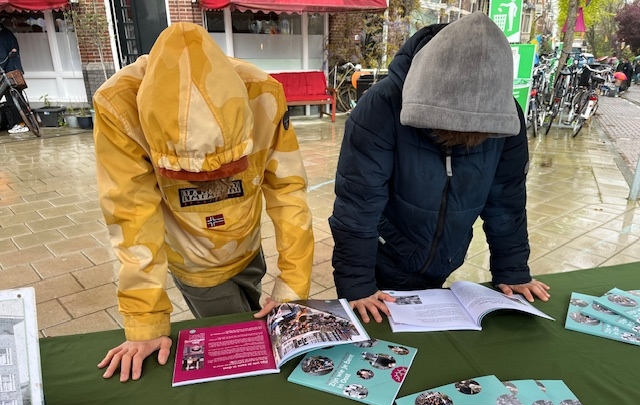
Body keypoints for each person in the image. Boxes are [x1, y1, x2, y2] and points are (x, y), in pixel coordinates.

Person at [93, 23, 314, 381]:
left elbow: (288, 192)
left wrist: (292, 286)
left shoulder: (263, 92)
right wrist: (146, 322)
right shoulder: (117, 104)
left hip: (248, 245)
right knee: (246, 357)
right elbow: (131, 215)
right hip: (193, 260)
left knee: (257, 323)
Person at [329, 12, 550, 323]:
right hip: (382, 258)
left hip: (445, 257)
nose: (459, 144)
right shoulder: (381, 106)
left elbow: (507, 201)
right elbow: (357, 206)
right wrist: (357, 286)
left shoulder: (505, 117)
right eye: (448, 133)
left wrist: (512, 269)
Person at [0, 22, 28, 134]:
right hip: (16, 71)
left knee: (11, 99)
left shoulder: (1, 37)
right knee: (19, 96)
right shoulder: (8, 33)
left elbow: (2, 57)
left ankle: (19, 123)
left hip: (8, 73)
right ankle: (27, 121)